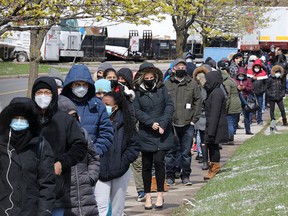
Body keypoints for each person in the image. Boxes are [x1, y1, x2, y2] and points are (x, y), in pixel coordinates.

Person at [31, 76, 88, 216]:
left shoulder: (65, 120)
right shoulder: (27, 119)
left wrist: (62, 162)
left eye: (47, 92)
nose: (43, 96)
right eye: (39, 93)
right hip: (29, 187)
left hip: (56, 187)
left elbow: (80, 146)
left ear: (54, 95)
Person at [0, 97, 55, 216]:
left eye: (23, 118)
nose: (19, 121)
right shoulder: (2, 144)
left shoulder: (41, 145)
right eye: (15, 118)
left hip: (31, 211)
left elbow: (47, 184)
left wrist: (44, 212)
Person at [133, 62, 174, 210]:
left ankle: (160, 195)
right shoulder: (138, 92)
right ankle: (148, 196)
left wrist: (162, 123)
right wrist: (150, 122)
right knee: (146, 165)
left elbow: (169, 106)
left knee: (159, 161)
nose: (149, 79)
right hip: (146, 132)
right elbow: (136, 110)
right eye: (146, 77)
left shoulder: (162, 89)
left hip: (162, 133)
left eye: (151, 77)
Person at [95, 91, 140, 216]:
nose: (103, 107)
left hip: (120, 171)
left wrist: (122, 161)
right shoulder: (96, 121)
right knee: (100, 207)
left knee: (117, 209)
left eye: (107, 104)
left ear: (115, 107)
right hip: (100, 172)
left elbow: (134, 145)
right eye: (101, 104)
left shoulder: (126, 123)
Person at [58, 96, 100, 216]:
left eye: (74, 115)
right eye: (68, 116)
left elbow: (94, 158)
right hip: (65, 197)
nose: (72, 120)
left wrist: (90, 177)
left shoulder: (82, 134)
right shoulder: (52, 137)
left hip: (86, 195)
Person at [61, 64, 114, 158]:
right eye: (77, 84)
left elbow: (106, 133)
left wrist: (95, 151)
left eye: (84, 84)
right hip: (65, 160)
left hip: (89, 161)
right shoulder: (60, 104)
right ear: (70, 85)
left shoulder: (98, 106)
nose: (81, 88)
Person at [164, 58, 202, 186]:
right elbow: (162, 102)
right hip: (171, 124)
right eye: (178, 67)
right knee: (170, 152)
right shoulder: (167, 84)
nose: (180, 69)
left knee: (186, 152)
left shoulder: (192, 84)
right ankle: (169, 175)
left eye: (183, 67)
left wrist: (194, 119)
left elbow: (198, 101)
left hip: (187, 124)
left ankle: (185, 175)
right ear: (173, 69)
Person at [203, 70, 228, 180]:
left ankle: (214, 168)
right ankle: (212, 168)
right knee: (212, 147)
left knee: (214, 147)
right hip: (213, 125)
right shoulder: (214, 91)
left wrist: (211, 131)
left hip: (216, 126)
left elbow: (215, 113)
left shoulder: (217, 93)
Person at [219, 62, 242, 145]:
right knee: (232, 121)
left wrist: (225, 107)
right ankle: (230, 137)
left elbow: (227, 96)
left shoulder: (226, 82)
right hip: (236, 103)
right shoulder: (231, 79)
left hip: (231, 104)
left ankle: (230, 138)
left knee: (229, 122)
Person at [193, 66, 209, 170]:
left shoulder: (209, 86)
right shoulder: (195, 86)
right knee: (202, 138)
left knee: (203, 138)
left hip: (206, 115)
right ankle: (204, 159)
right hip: (199, 115)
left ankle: (205, 159)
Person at [247, 59, 268, 125]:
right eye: (256, 67)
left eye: (258, 67)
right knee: (250, 107)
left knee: (260, 107)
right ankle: (250, 120)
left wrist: (263, 90)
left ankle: (259, 120)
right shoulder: (249, 72)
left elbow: (266, 83)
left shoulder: (263, 73)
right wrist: (252, 79)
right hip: (251, 93)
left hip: (260, 93)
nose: (257, 68)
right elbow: (247, 82)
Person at [234, 67, 254, 135]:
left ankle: (248, 130)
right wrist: (237, 87)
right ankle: (234, 130)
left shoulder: (248, 80)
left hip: (245, 98)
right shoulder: (234, 80)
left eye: (242, 75)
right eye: (240, 75)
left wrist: (244, 87)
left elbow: (251, 87)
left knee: (246, 115)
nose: (241, 76)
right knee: (236, 115)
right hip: (237, 99)